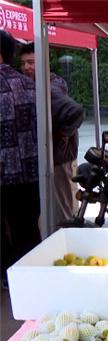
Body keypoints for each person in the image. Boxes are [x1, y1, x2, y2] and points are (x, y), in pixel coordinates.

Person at [19, 43, 85, 226]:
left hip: (58, 158)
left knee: (63, 211)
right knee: (60, 208)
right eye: (23, 63)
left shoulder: (48, 88)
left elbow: (76, 112)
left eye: (31, 62)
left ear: (43, 62)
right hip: (57, 158)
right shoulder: (45, 84)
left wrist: (61, 136)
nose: (26, 67)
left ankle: (67, 240)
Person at [0, 31, 41, 279]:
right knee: (27, 229)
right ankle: (30, 278)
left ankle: (7, 278)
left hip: (3, 174)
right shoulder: (30, 84)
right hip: (31, 173)